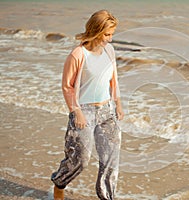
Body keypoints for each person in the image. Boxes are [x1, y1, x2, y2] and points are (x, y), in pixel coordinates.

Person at [51, 10, 124, 200]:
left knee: (111, 159)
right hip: (84, 111)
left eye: (112, 34)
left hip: (107, 112)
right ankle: (60, 183)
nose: (109, 39)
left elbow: (113, 80)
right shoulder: (78, 54)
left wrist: (118, 103)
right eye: (107, 34)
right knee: (80, 160)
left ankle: (107, 197)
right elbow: (67, 86)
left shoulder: (110, 50)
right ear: (96, 30)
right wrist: (77, 113)